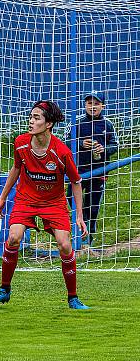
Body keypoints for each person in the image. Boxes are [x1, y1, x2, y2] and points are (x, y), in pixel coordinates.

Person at [0, 100, 89, 310]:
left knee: (65, 245)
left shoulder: (62, 152)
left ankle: (73, 298)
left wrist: (79, 215)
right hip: (26, 199)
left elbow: (76, 182)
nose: (31, 121)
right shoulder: (21, 143)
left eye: (36, 118)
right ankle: (4, 289)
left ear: (48, 124)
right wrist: (2, 198)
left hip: (54, 202)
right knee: (13, 237)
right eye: (31, 117)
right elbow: (15, 169)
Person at [70, 92, 118, 246]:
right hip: (78, 172)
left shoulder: (108, 124)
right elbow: (64, 143)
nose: (93, 106)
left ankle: (88, 238)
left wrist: (103, 149)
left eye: (96, 104)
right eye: (89, 103)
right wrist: (80, 145)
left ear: (102, 106)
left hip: (99, 172)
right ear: (85, 105)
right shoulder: (76, 123)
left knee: (93, 206)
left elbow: (115, 145)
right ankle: (78, 227)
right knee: (71, 199)